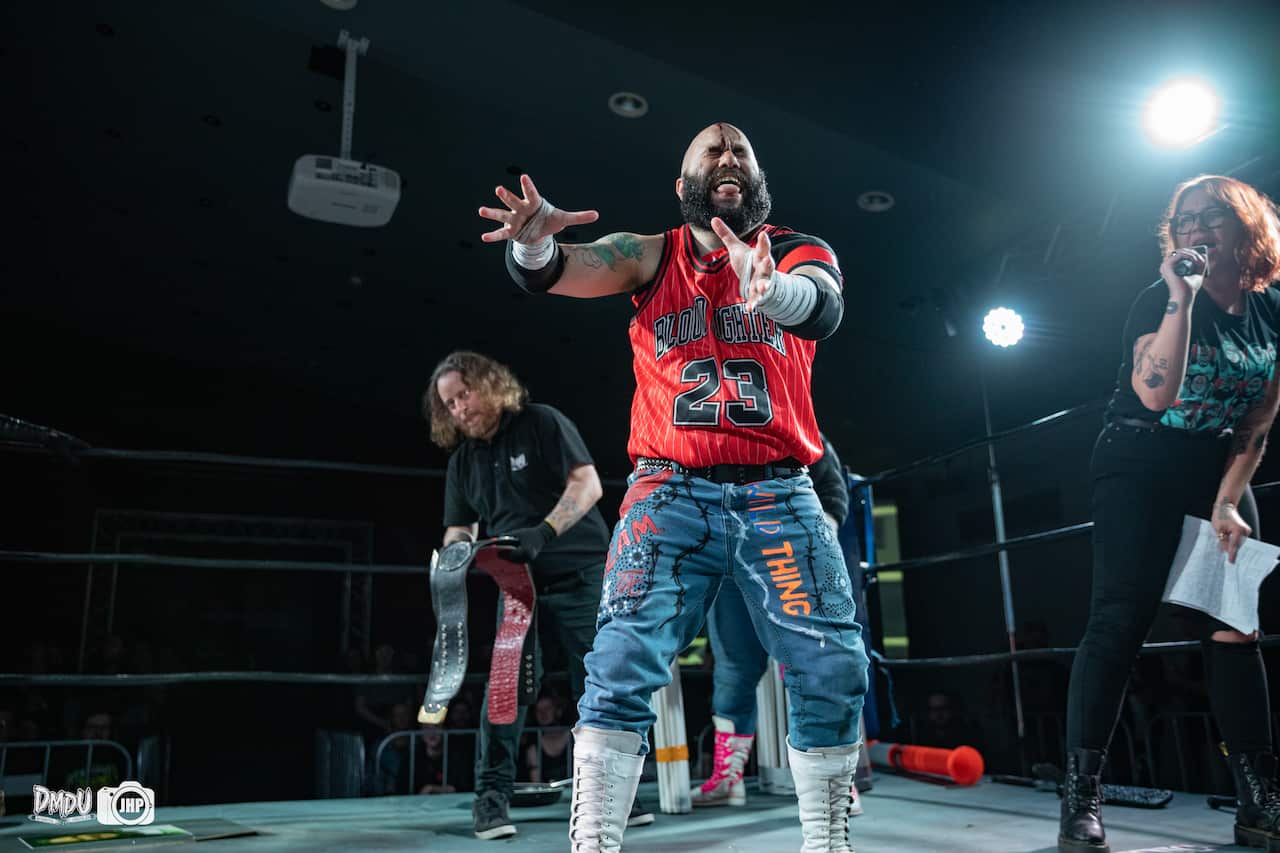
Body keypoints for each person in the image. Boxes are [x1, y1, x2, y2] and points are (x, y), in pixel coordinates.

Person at [481, 121, 869, 852]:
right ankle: (594, 841)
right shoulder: (651, 255)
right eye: (711, 152)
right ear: (683, 184)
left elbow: (823, 304)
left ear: (757, 179)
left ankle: (827, 841)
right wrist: (532, 241)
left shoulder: (794, 248)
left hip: (779, 491)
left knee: (834, 662)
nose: (727, 158)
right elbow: (559, 269)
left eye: (741, 151)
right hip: (670, 492)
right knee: (621, 660)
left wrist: (774, 290)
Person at [1059, 175, 1280, 853]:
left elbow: (1260, 416)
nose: (1193, 228)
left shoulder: (1271, 312)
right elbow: (1155, 397)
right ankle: (1081, 796)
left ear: (1244, 228)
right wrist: (1180, 299)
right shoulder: (1158, 300)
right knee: (1119, 620)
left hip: (1213, 467)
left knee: (1234, 629)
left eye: (1209, 216)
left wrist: (1225, 499)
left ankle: (1258, 799)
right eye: (1182, 220)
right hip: (1138, 460)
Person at [424, 350, 650, 840]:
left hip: (580, 572)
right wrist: (455, 556)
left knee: (601, 684)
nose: (460, 408)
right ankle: (491, 801)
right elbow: (458, 528)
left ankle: (613, 798)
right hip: (517, 586)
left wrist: (543, 532)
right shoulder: (463, 462)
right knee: (504, 691)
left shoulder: (541, 423)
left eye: (464, 394)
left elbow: (587, 485)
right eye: (450, 403)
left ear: (490, 385)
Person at [691, 433, 853, 809]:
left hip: (789, 560)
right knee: (734, 667)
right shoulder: (703, 432)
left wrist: (813, 547)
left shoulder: (796, 428)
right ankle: (728, 779)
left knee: (813, 664)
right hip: (730, 563)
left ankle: (832, 782)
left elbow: (831, 490)